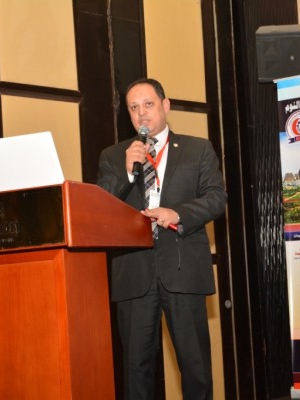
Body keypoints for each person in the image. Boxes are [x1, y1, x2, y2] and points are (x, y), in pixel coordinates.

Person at [96, 77, 227, 400]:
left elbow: (216, 199)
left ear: (165, 106)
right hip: (134, 273)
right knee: (136, 369)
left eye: (148, 104)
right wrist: (127, 171)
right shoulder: (113, 156)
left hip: (183, 269)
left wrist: (178, 213)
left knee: (195, 367)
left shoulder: (198, 149)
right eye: (133, 107)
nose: (141, 113)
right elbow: (101, 210)